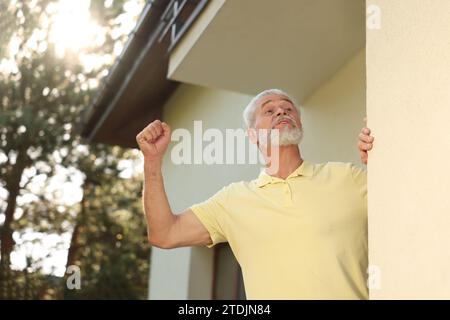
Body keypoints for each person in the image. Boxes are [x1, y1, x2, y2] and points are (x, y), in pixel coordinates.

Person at [136, 89, 374, 299]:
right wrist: (152, 161)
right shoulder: (233, 200)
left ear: (299, 124)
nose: (281, 112)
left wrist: (379, 160)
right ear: (252, 135)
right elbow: (164, 234)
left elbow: (404, 202)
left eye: (288, 108)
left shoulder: (347, 177)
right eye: (269, 110)